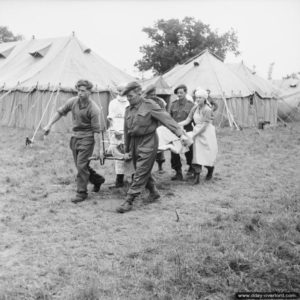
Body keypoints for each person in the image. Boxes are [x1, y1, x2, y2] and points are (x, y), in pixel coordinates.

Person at [116, 81, 188, 213]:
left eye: (130, 95)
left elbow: (167, 119)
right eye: (127, 96)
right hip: (134, 142)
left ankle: (129, 200)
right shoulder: (128, 109)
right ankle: (154, 192)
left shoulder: (150, 105)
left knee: (140, 171)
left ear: (139, 93)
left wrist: (180, 134)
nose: (128, 98)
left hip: (148, 141)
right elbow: (127, 131)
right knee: (140, 168)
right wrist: (127, 150)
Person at [43, 79, 105, 203]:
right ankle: (97, 179)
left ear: (89, 92)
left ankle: (81, 192)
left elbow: (97, 131)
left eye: (83, 91)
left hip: (87, 138)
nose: (80, 93)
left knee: (81, 165)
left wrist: (99, 150)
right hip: (75, 137)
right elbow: (60, 112)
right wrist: (49, 125)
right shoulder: (73, 102)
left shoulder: (94, 109)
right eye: (78, 90)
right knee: (81, 165)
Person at [179, 88, 218, 184]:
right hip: (196, 131)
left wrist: (194, 134)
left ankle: (210, 169)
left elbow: (205, 126)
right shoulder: (195, 108)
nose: (198, 99)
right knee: (196, 154)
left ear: (204, 98)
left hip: (206, 133)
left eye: (200, 98)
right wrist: (177, 124)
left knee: (206, 154)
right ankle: (197, 177)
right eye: (197, 97)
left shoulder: (207, 109)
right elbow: (188, 120)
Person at [169, 84, 195, 180]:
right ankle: (178, 172)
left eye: (181, 93)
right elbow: (169, 118)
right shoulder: (173, 104)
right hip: (175, 132)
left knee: (189, 152)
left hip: (187, 131)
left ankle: (191, 169)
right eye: (177, 93)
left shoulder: (191, 105)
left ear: (185, 93)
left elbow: (194, 120)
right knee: (174, 152)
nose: (179, 95)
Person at [107, 84, 129, 188]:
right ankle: (119, 180)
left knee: (130, 155)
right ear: (117, 91)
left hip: (128, 132)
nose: (121, 93)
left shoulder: (129, 102)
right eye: (119, 90)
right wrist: (115, 130)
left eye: (123, 90)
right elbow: (111, 118)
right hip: (116, 131)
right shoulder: (113, 103)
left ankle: (134, 179)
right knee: (118, 156)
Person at [143, 84, 167, 173]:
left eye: (154, 94)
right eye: (151, 94)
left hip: (158, 126)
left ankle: (160, 166)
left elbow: (163, 114)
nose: (153, 96)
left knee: (159, 148)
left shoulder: (160, 102)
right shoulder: (143, 101)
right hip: (147, 127)